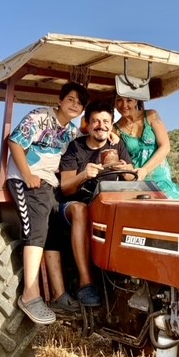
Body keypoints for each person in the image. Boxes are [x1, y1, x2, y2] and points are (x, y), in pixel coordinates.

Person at [6, 81, 89, 325]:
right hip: (27, 179)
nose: (75, 105)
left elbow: (86, 138)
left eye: (80, 102)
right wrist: (28, 174)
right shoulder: (39, 117)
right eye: (71, 99)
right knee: (38, 227)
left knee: (58, 229)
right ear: (60, 101)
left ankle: (59, 294)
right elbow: (15, 143)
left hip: (49, 183)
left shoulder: (71, 131)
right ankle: (30, 294)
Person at [56, 100, 136, 307]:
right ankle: (86, 283)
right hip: (73, 206)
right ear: (88, 125)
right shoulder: (75, 148)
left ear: (111, 124)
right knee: (81, 209)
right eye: (96, 121)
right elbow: (65, 187)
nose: (101, 125)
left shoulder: (117, 145)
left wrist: (125, 170)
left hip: (105, 205)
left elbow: (131, 179)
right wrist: (84, 175)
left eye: (106, 121)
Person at [114, 96, 179, 199]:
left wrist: (145, 170)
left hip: (161, 178)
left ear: (136, 100)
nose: (124, 105)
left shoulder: (151, 115)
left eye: (129, 100)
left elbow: (165, 146)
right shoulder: (115, 129)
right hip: (138, 180)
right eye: (119, 100)